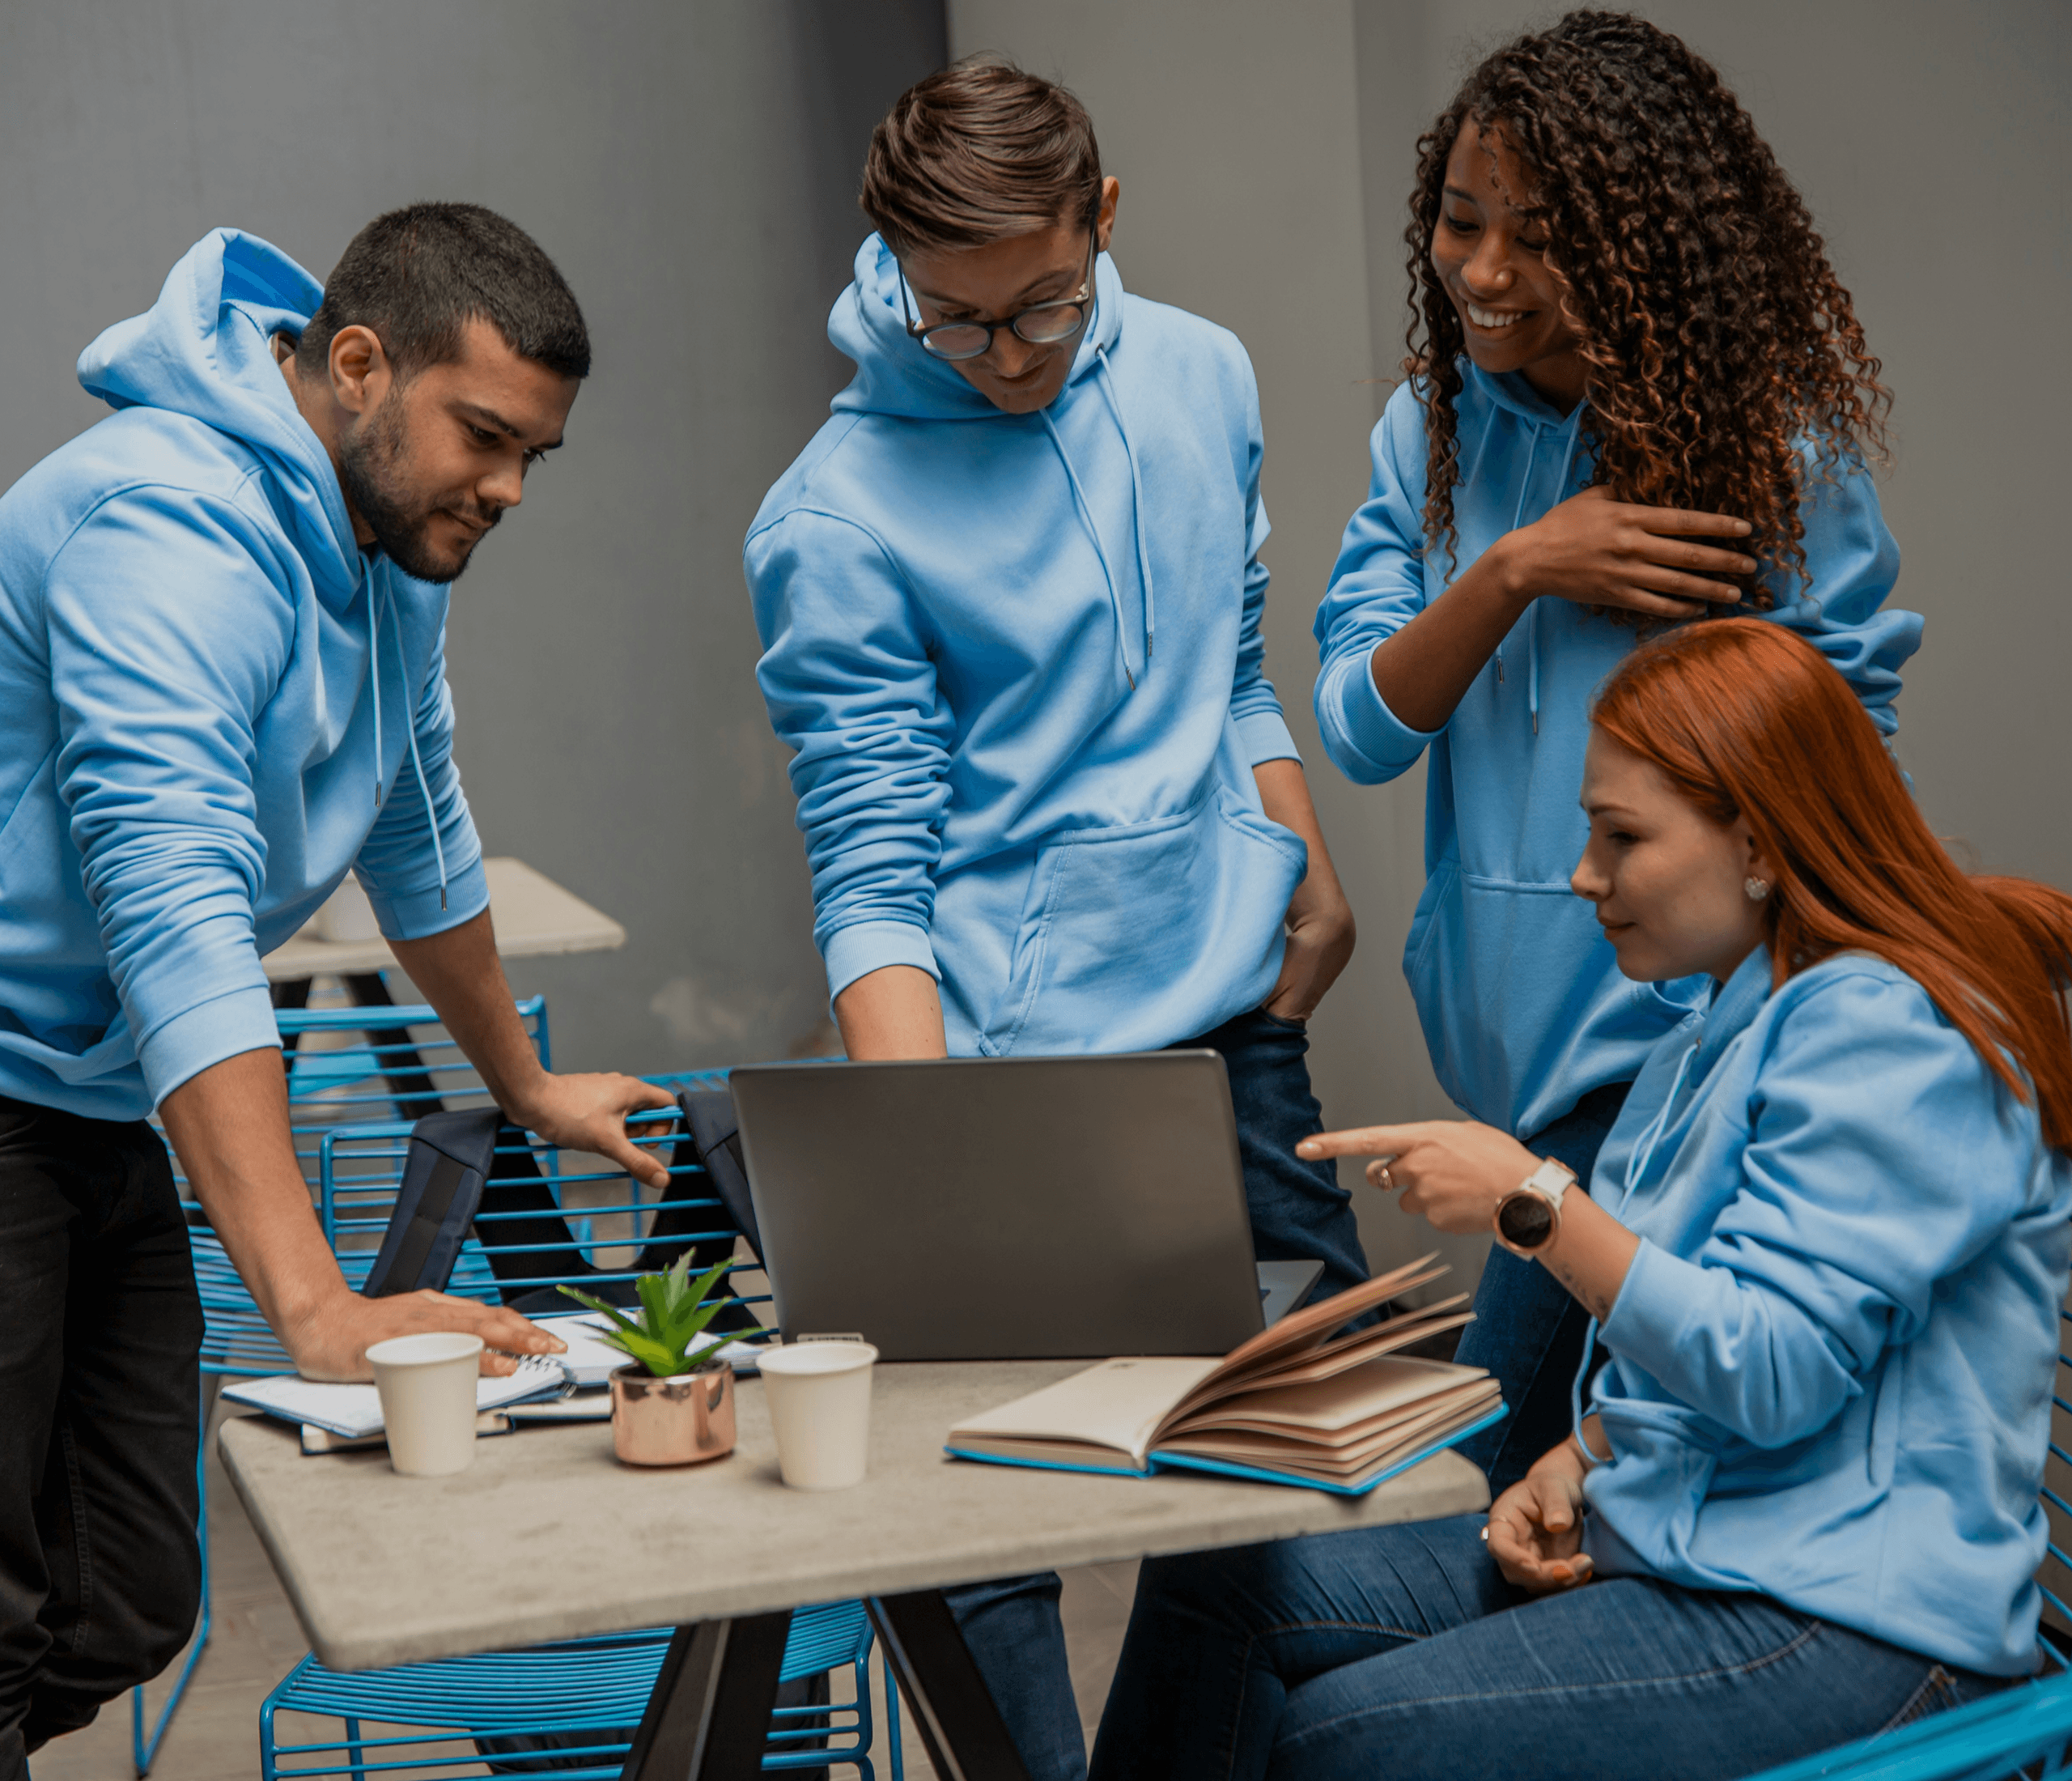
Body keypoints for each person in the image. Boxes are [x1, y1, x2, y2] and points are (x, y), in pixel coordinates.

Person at [1091, 617, 2072, 1780]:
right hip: (1698, 1552)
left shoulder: (1888, 1030)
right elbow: (1723, 1332)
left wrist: (1534, 1200)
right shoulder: (1717, 1032)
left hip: (1859, 1624)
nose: (1583, 877)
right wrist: (1578, 1458)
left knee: (1341, 1743)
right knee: (1221, 1581)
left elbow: (1775, 1370)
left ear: (1760, 844)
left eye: (1622, 837)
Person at [744, 58, 1366, 1781]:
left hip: (1230, 1031)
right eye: (952, 319)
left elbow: (1231, 659)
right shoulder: (834, 515)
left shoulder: (1203, 372)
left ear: (1104, 220)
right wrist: (926, 1167)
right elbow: (869, 869)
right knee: (980, 1522)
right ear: (891, 267)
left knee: (1314, 1473)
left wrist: (1298, 851)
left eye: (1041, 306)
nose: (1005, 356)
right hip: (995, 1071)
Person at [0, 206, 674, 1772]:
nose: (509, 491)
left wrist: (524, 1084)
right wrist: (314, 1307)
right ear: (358, 365)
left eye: (534, 457)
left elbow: (418, 831)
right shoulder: (169, 530)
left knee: (126, 1599)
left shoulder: (382, 549)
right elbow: (173, 903)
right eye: (485, 438)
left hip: (86, 1102)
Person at [1310, 9, 1924, 1494]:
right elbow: (1360, 728)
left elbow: (1849, 763)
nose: (1484, 271)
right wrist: (1518, 568)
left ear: (1641, 248)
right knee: (1544, 1491)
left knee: (1464, 1487)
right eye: (1462, 221)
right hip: (1502, 1056)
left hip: (1670, 1055)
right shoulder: (1429, 433)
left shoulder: (1765, 448)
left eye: (1541, 238)